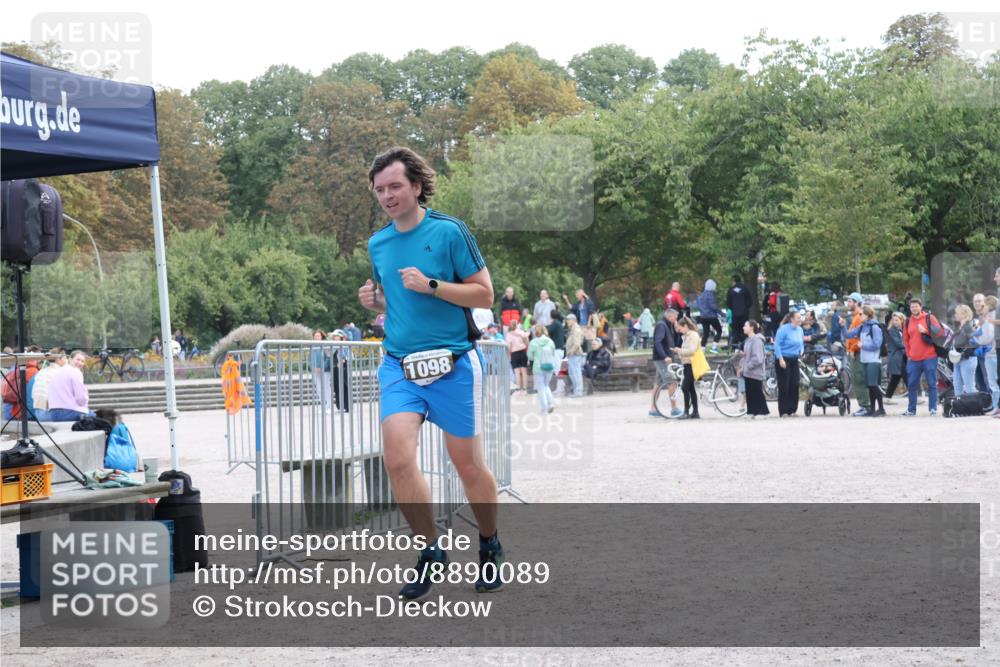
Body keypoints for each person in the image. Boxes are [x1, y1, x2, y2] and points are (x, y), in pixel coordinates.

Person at [358, 146, 501, 600]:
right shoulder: (378, 243)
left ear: (416, 186)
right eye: (380, 189)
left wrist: (433, 285)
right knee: (397, 459)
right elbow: (401, 303)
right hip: (399, 364)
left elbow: (484, 296)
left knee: (468, 466)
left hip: (453, 365)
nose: (387, 195)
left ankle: (489, 543)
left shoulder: (450, 232)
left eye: (395, 186)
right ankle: (430, 551)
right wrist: (376, 304)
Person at [901, 298, 941, 416]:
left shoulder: (930, 318)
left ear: (921, 307)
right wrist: (909, 354)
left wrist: (926, 331)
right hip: (913, 358)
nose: (914, 308)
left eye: (916, 306)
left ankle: (933, 408)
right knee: (912, 384)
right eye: (912, 307)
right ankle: (911, 409)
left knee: (931, 383)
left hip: (930, 356)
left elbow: (939, 333)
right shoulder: (907, 321)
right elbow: (905, 340)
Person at [844, 306, 885, 417]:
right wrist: (843, 326)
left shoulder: (875, 327)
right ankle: (872, 409)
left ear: (867, 315)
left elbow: (877, 344)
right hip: (865, 360)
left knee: (873, 385)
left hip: (873, 360)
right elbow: (849, 335)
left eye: (861, 314)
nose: (859, 316)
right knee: (869, 385)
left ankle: (881, 409)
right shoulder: (863, 327)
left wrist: (863, 345)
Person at [839, 293, 871, 416]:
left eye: (850, 301)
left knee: (858, 379)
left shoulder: (859, 317)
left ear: (857, 302)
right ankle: (865, 405)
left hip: (857, 352)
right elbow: (850, 335)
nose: (848, 303)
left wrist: (852, 349)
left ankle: (865, 406)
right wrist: (843, 326)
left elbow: (859, 337)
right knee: (858, 378)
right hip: (855, 352)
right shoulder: (855, 317)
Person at [650, 309, 682, 418]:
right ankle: (674, 409)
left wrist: (677, 331)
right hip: (662, 359)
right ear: (670, 316)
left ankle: (653, 409)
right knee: (672, 382)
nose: (676, 319)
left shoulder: (669, 326)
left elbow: (674, 343)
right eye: (675, 317)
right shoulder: (661, 325)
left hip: (664, 359)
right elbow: (657, 342)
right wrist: (665, 356)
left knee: (658, 383)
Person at [45, 350, 93, 421]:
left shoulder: (58, 371)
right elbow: (81, 399)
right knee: (98, 417)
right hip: (69, 412)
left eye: (82, 361)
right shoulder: (76, 371)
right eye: (78, 359)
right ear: (70, 359)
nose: (80, 363)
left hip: (53, 413)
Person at [774, 311, 804, 417]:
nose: (800, 319)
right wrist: (780, 359)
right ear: (792, 319)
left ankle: (792, 409)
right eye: (798, 318)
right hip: (783, 358)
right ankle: (783, 410)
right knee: (784, 385)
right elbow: (777, 345)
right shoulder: (783, 329)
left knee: (794, 384)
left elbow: (801, 342)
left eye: (801, 318)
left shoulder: (800, 330)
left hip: (794, 359)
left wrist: (801, 350)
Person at [671, 316, 702, 419]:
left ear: (685, 326)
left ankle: (686, 411)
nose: (679, 331)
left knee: (685, 387)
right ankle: (695, 412)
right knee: (691, 388)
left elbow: (692, 350)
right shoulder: (687, 336)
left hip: (691, 364)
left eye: (680, 328)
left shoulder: (692, 335)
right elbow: (687, 351)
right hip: (687, 364)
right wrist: (679, 351)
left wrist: (680, 351)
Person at [739, 320, 769, 418]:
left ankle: (762, 412)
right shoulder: (748, 340)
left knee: (757, 392)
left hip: (755, 371)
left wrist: (748, 366)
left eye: (745, 325)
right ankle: (752, 411)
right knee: (750, 393)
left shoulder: (757, 340)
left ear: (752, 327)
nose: (743, 327)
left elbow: (758, 358)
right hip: (748, 371)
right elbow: (747, 355)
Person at [526, 323, 556, 414]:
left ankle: (544, 408)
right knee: (546, 385)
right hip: (549, 366)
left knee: (541, 388)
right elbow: (553, 353)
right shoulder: (550, 341)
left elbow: (530, 356)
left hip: (538, 368)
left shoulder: (533, 342)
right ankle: (551, 403)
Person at [30, 348, 67, 420]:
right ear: (59, 359)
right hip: (49, 413)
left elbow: (33, 395)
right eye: (65, 357)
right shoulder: (60, 372)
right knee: (83, 414)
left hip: (38, 413)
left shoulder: (41, 372)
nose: (66, 360)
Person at [950, 304, 978, 397]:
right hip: (958, 359)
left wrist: (962, 354)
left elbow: (974, 343)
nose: (955, 315)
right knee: (957, 385)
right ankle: (959, 408)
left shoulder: (969, 327)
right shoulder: (960, 327)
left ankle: (973, 409)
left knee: (969, 386)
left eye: (957, 313)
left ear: (964, 314)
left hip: (968, 359)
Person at [978, 295, 999, 414]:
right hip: (993, 351)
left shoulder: (989, 318)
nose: (981, 308)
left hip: (991, 352)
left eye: (983, 305)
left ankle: (996, 406)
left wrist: (977, 340)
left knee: (992, 381)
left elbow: (988, 337)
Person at [884, 313, 907, 403]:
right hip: (896, 357)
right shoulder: (892, 331)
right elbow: (899, 344)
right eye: (893, 320)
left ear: (902, 320)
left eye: (897, 320)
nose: (895, 322)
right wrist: (910, 346)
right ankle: (915, 396)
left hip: (901, 357)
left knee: (895, 378)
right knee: (906, 376)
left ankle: (887, 397)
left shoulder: (903, 330)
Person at [726, 275, 754, 349]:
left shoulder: (730, 290)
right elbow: (750, 302)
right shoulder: (745, 289)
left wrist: (734, 308)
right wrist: (745, 308)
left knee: (735, 331)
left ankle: (735, 347)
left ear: (734, 281)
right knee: (745, 330)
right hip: (744, 314)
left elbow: (728, 303)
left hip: (735, 314)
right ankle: (745, 346)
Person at [309, 330, 333, 412]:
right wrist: (313, 367)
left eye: (318, 336)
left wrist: (322, 367)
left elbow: (329, 358)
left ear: (321, 337)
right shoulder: (312, 346)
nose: (317, 337)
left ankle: (329, 406)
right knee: (319, 388)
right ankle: (323, 405)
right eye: (315, 336)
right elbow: (309, 359)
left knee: (326, 387)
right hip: (315, 371)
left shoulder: (325, 345)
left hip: (325, 370)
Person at [695, 279, 722, 353]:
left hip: (703, 317)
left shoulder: (700, 295)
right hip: (711, 316)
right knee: (719, 330)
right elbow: (713, 306)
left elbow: (698, 305)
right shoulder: (710, 295)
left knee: (706, 333)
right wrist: (721, 313)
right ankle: (714, 347)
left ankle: (702, 349)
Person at [329, 329, 352, 412]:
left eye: (337, 337)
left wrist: (344, 360)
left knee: (345, 387)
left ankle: (347, 406)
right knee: (336, 387)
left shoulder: (345, 345)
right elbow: (329, 356)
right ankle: (340, 406)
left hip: (344, 368)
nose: (335, 338)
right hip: (335, 368)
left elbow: (350, 356)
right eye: (334, 337)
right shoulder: (332, 346)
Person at [564, 314, 586, 397]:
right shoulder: (572, 329)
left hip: (575, 354)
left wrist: (571, 352)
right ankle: (576, 390)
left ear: (574, 320)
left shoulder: (576, 330)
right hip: (572, 354)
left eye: (569, 320)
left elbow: (577, 344)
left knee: (576, 373)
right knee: (572, 373)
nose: (567, 321)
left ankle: (578, 391)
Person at [506, 321, 530, 393]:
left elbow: (508, 346)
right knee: (524, 371)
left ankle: (518, 387)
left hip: (514, 353)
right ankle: (525, 388)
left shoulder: (509, 334)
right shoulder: (521, 333)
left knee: (517, 372)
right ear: (516, 325)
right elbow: (527, 342)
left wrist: (508, 354)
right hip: (522, 351)